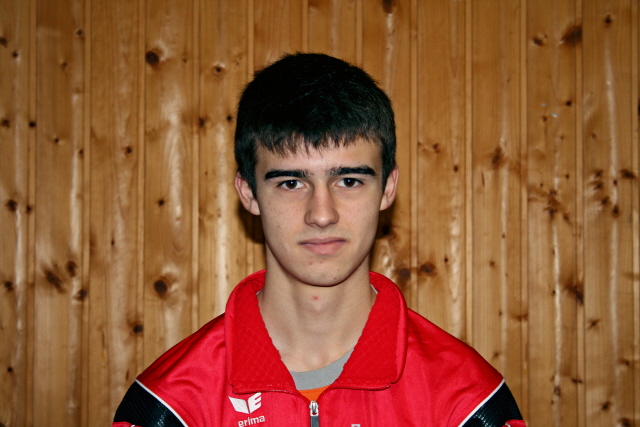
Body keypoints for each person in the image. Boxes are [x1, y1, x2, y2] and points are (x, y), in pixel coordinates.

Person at [113, 53, 526, 427]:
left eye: (349, 181)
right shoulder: (170, 407)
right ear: (249, 193)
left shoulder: (468, 403)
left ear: (387, 188)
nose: (322, 214)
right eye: (291, 183)